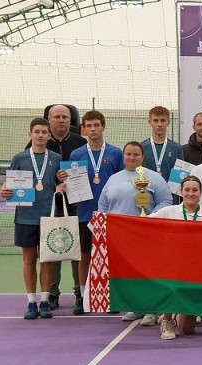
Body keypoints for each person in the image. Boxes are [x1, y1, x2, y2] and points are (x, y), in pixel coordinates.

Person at [97, 141, 171, 325]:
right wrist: (104, 224)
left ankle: (151, 310)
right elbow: (103, 205)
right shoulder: (114, 178)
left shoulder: (153, 178)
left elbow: (166, 201)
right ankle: (135, 307)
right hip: (119, 235)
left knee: (147, 272)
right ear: (123, 156)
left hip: (145, 234)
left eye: (136, 154)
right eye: (128, 154)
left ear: (143, 157)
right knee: (128, 273)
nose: (132, 157)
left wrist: (150, 218)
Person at [61, 110, 124, 315]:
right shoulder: (76, 154)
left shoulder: (116, 153)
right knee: (84, 255)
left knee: (111, 256)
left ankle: (112, 296)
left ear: (103, 126)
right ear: (84, 129)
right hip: (85, 212)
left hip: (110, 214)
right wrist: (65, 181)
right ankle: (82, 296)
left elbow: (121, 181)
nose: (93, 129)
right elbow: (72, 184)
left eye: (97, 125)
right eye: (89, 126)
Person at [1, 118, 62, 319]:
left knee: (46, 260)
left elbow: (60, 183)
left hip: (49, 218)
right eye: (37, 132)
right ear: (30, 134)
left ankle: (44, 301)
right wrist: (4, 190)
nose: (40, 135)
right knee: (28, 259)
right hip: (25, 217)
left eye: (44, 132)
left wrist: (63, 185)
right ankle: (31, 302)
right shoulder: (19, 158)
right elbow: (9, 185)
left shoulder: (56, 158)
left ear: (49, 135)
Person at [148, 176, 202, 339]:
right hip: (172, 267)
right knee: (172, 283)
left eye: (195, 190)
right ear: (181, 191)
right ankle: (167, 320)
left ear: (200, 192)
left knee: (187, 330)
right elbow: (145, 224)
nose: (190, 193)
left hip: (196, 271)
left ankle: (177, 313)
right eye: (187, 190)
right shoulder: (168, 212)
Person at [31, 105, 87, 311]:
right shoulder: (39, 141)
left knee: (77, 249)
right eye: (57, 117)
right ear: (49, 119)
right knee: (53, 246)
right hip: (50, 205)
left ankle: (80, 294)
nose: (61, 120)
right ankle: (52, 294)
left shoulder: (81, 143)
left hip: (77, 203)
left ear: (70, 120)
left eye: (65, 117)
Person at [141, 106, 184, 184]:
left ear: (168, 122)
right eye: (155, 120)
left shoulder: (177, 148)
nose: (159, 124)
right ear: (150, 122)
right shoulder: (141, 147)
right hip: (147, 191)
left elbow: (180, 178)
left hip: (169, 192)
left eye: (163, 120)